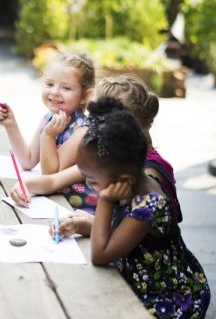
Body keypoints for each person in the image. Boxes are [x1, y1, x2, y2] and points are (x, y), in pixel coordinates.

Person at [78, 97, 210, 318]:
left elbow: (100, 255)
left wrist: (105, 201)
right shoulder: (132, 183)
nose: (89, 186)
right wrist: (87, 223)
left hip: (171, 297)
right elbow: (119, 233)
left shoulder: (149, 206)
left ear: (124, 178)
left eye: (92, 180)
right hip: (146, 279)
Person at [5, 74, 181, 237]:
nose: (88, 128)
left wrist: (89, 225)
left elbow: (134, 232)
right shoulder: (110, 153)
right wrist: (24, 185)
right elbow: (54, 180)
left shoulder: (148, 172)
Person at [0, 52, 94, 207]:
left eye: (66, 88)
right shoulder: (49, 118)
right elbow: (28, 160)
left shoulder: (82, 131)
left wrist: (48, 136)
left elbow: (51, 176)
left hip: (77, 208)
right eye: (49, 84)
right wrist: (11, 126)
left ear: (85, 96)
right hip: (55, 201)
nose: (54, 92)